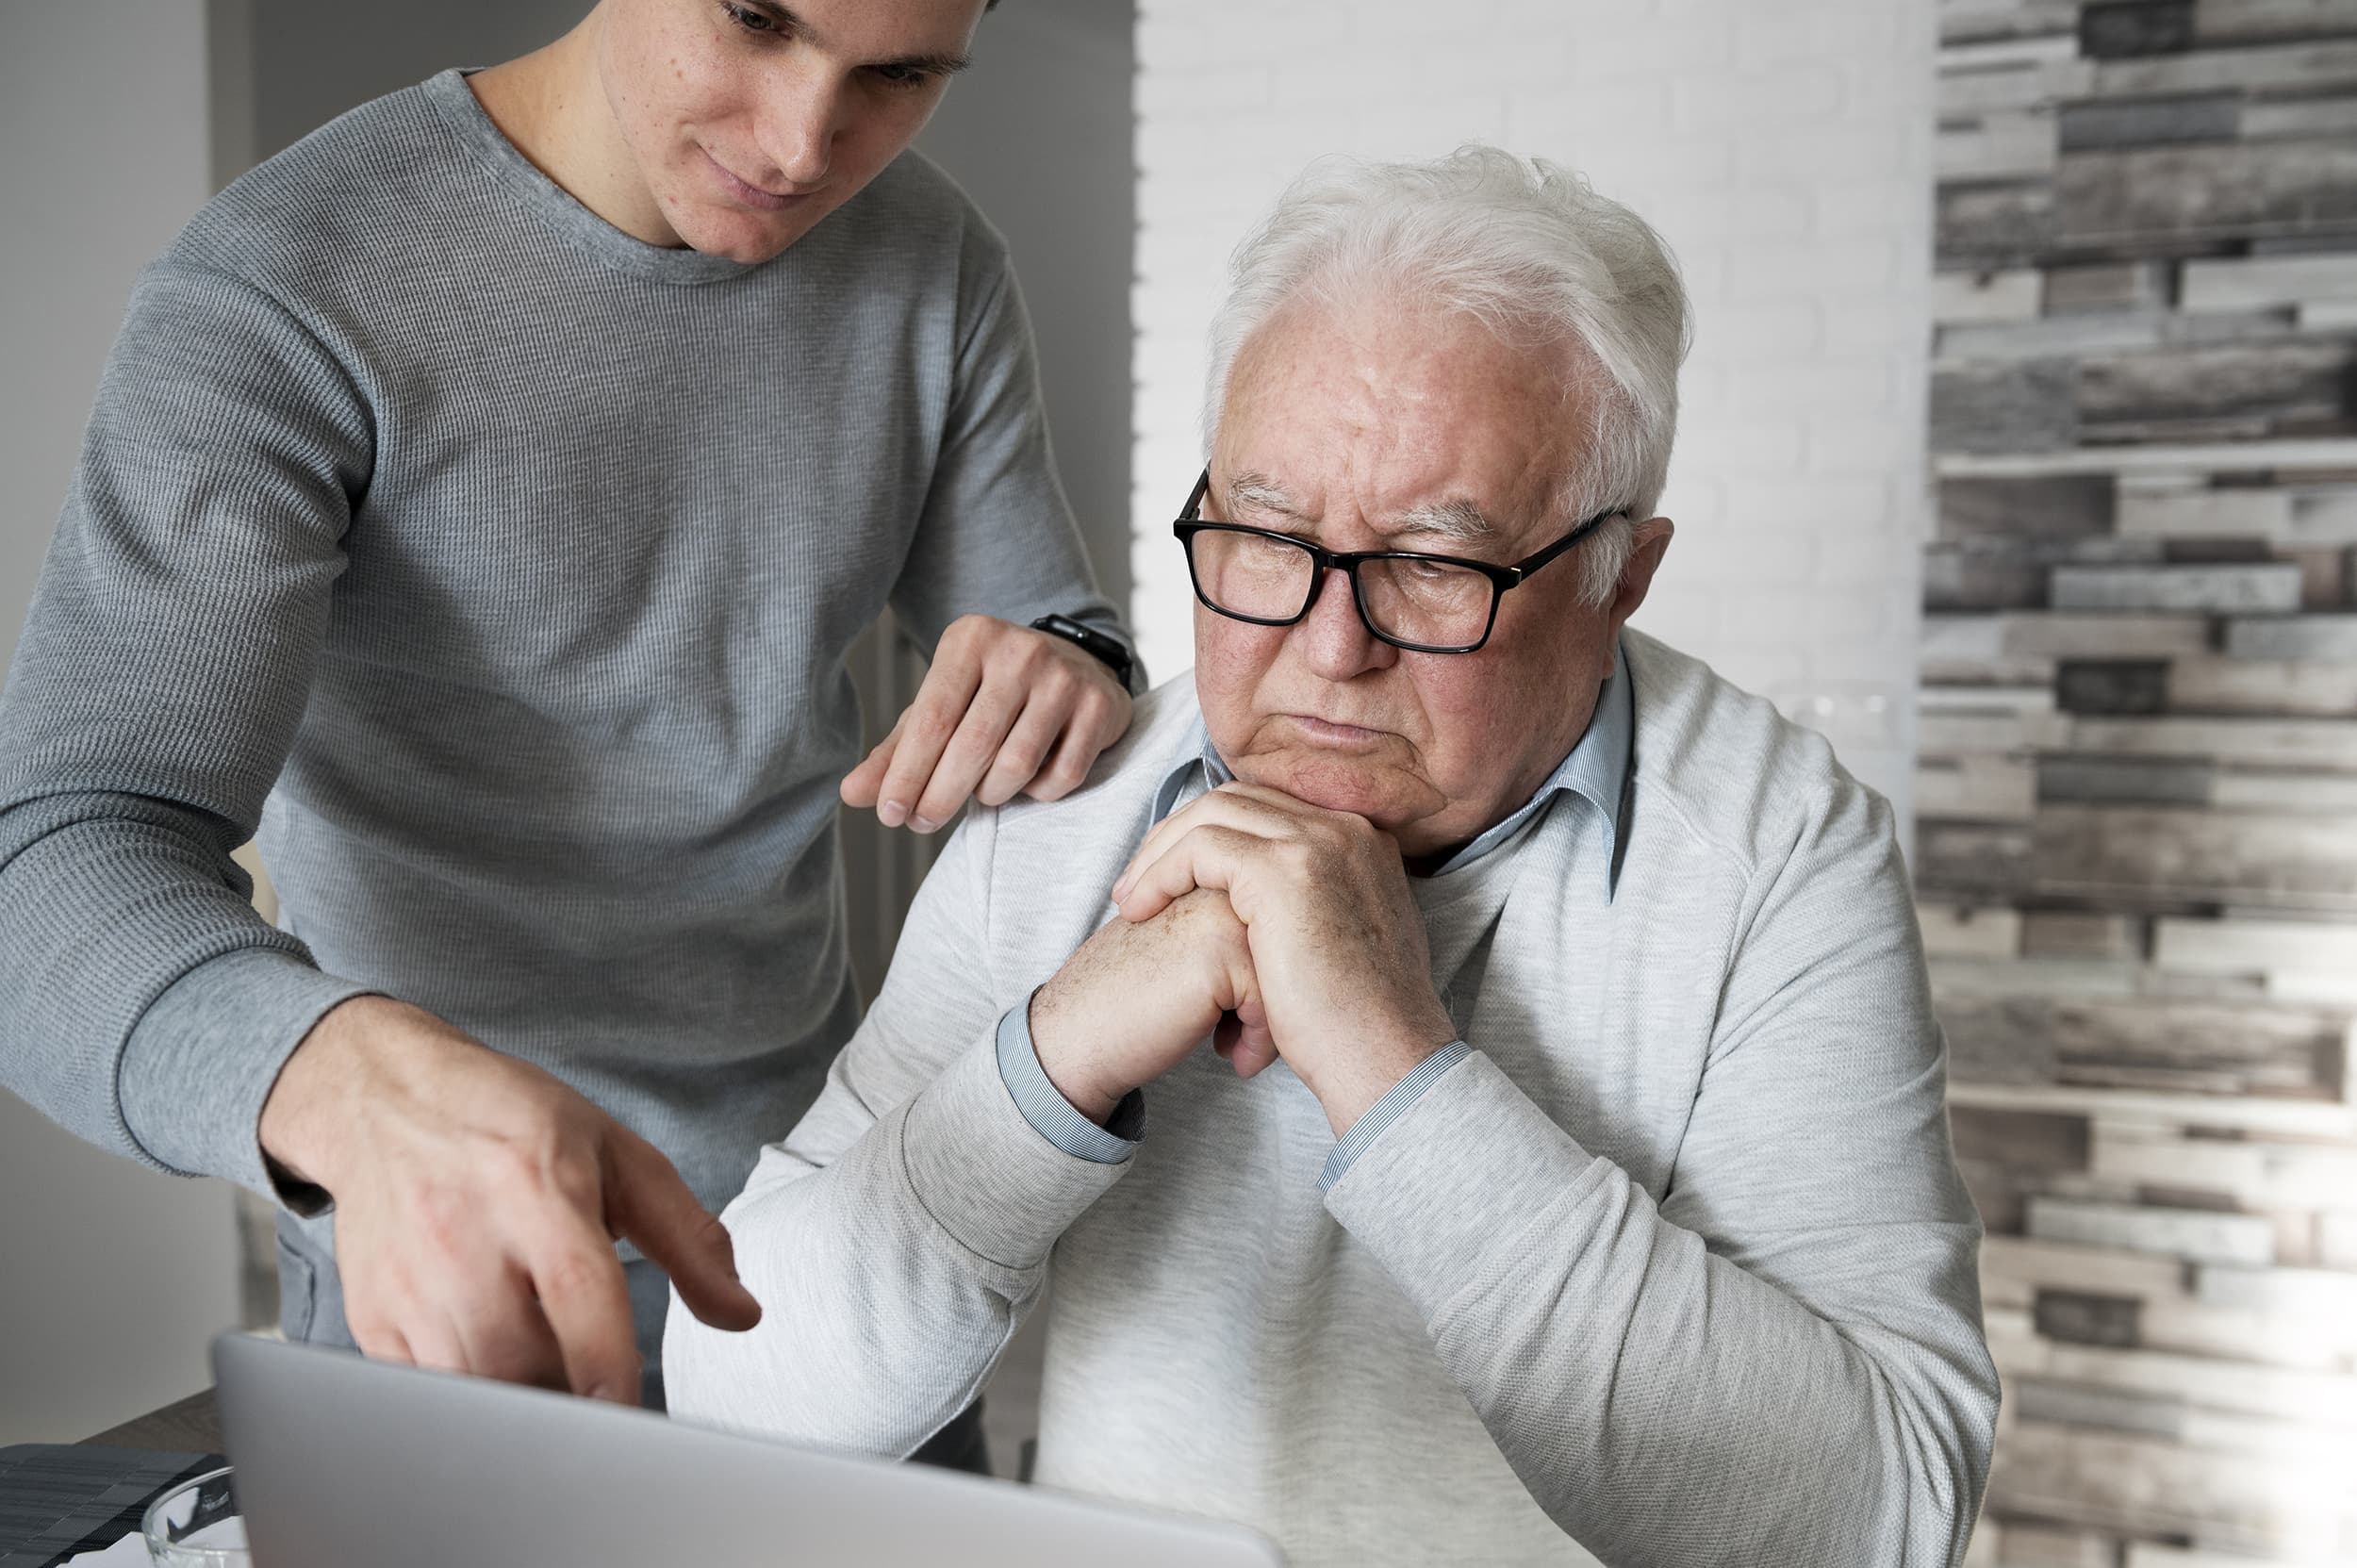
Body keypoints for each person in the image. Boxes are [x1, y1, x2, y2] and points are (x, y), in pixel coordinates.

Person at [665, 147, 2000, 1565]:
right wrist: (1051, 1059)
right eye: (1265, 535)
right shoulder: (1071, 796)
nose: (1326, 646)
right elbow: (742, 1395)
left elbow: (1882, 1523)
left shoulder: (1777, 850)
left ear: (1622, 575)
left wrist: (1394, 1068)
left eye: (1435, 563)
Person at [0, 0, 1139, 1428]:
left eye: (898, 75)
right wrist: (334, 1077)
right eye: (756, 21)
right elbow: (51, 862)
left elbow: (1052, 618)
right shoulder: (283, 285)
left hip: (842, 1250)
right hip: (457, 1283)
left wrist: (1071, 666)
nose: (802, 145)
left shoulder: (935, 259)